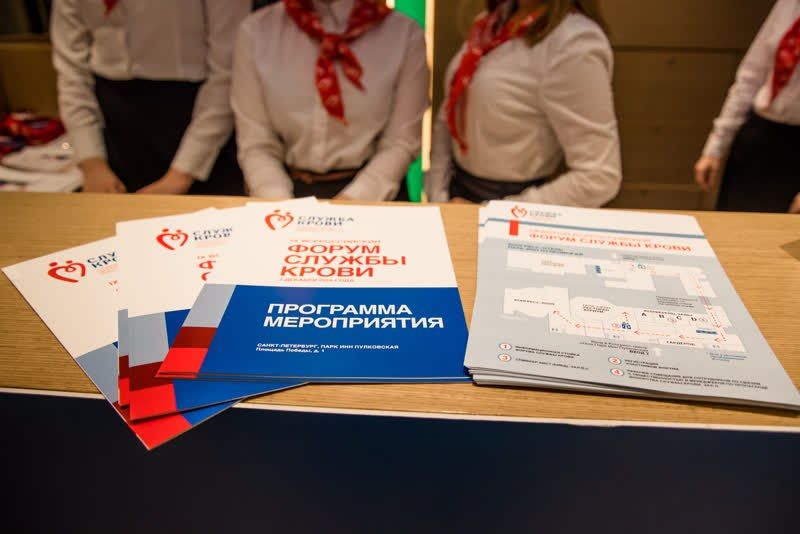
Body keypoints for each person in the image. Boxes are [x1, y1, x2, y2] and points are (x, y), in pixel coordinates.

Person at [425, 0, 621, 206]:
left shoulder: (574, 42)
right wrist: (438, 194)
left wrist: (490, 214)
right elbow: (452, 107)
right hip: (455, 190)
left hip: (512, 204)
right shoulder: (494, 20)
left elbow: (599, 176)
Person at [231, 0, 429, 200]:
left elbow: (400, 142)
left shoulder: (404, 34)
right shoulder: (257, 31)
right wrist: (280, 205)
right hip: (284, 190)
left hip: (374, 193)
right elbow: (257, 143)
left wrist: (351, 202)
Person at [51, 0, 251, 195]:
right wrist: (92, 162)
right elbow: (71, 71)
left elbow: (227, 71)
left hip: (199, 122)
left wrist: (181, 174)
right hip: (113, 127)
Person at [695, 0, 800, 213]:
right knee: (734, 223)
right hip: (761, 134)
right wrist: (715, 148)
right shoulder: (789, 5)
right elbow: (750, 76)